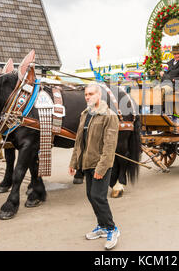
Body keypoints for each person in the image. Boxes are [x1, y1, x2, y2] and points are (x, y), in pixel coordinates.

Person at [69, 83, 120, 250]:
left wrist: (101, 168)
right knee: (91, 196)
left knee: (99, 197)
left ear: (99, 95)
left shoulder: (109, 116)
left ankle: (112, 229)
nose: (88, 97)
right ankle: (102, 226)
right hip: (87, 163)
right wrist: (74, 163)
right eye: (86, 94)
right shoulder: (85, 114)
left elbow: (109, 147)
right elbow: (79, 141)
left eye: (91, 94)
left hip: (100, 165)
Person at [158, 46, 179, 116]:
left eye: (178, 53)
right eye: (175, 54)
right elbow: (166, 72)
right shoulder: (170, 62)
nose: (177, 55)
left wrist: (175, 79)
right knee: (154, 89)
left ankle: (163, 111)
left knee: (163, 90)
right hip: (166, 82)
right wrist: (162, 73)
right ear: (173, 54)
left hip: (176, 84)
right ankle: (154, 110)